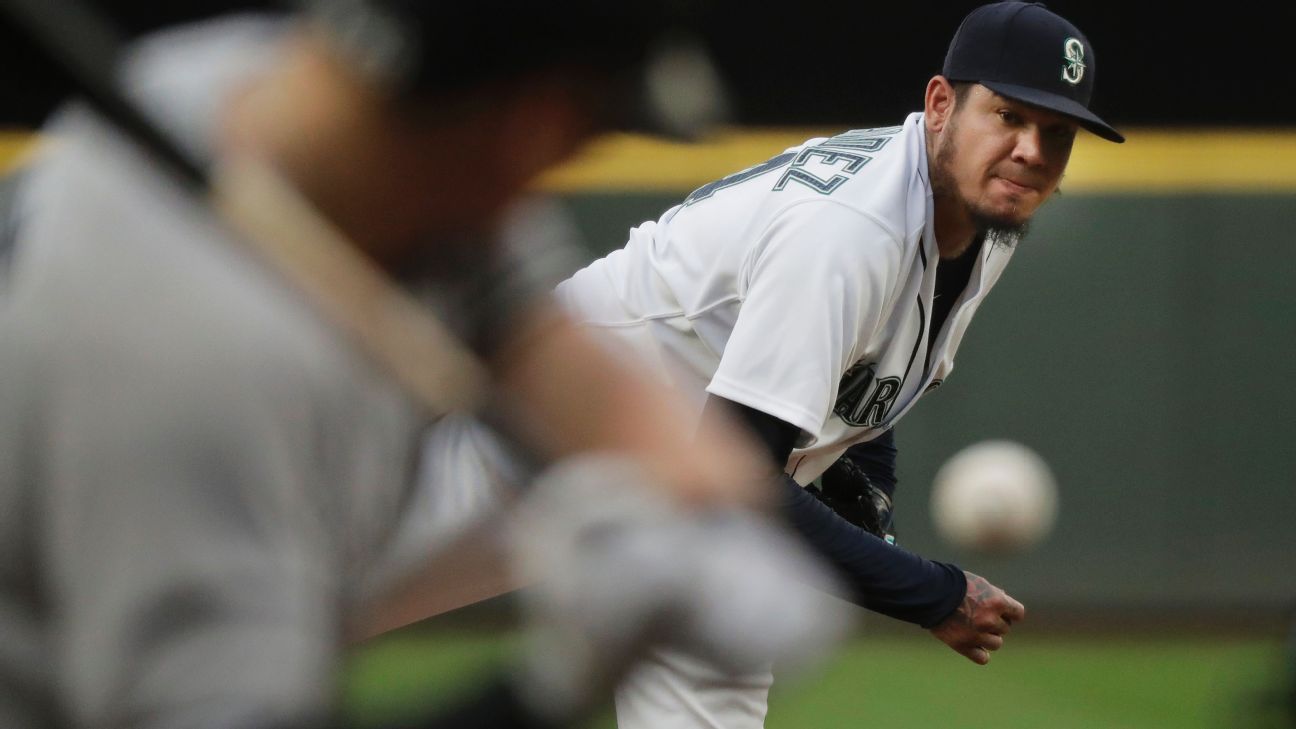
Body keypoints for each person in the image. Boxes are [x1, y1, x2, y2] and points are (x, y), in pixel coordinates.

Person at [0, 2, 850, 728]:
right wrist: (549, 688)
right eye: (580, 130)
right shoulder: (190, 375)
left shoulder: (256, 86)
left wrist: (703, 495)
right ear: (532, 129)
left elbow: (527, 327)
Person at [512, 2, 1124, 727]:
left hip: (674, 493)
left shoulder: (984, 221)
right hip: (532, 411)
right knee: (351, 593)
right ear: (940, 105)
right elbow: (741, 466)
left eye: (1057, 133)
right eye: (1008, 116)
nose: (1031, 149)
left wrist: (872, 510)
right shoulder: (854, 230)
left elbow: (862, 378)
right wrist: (931, 592)